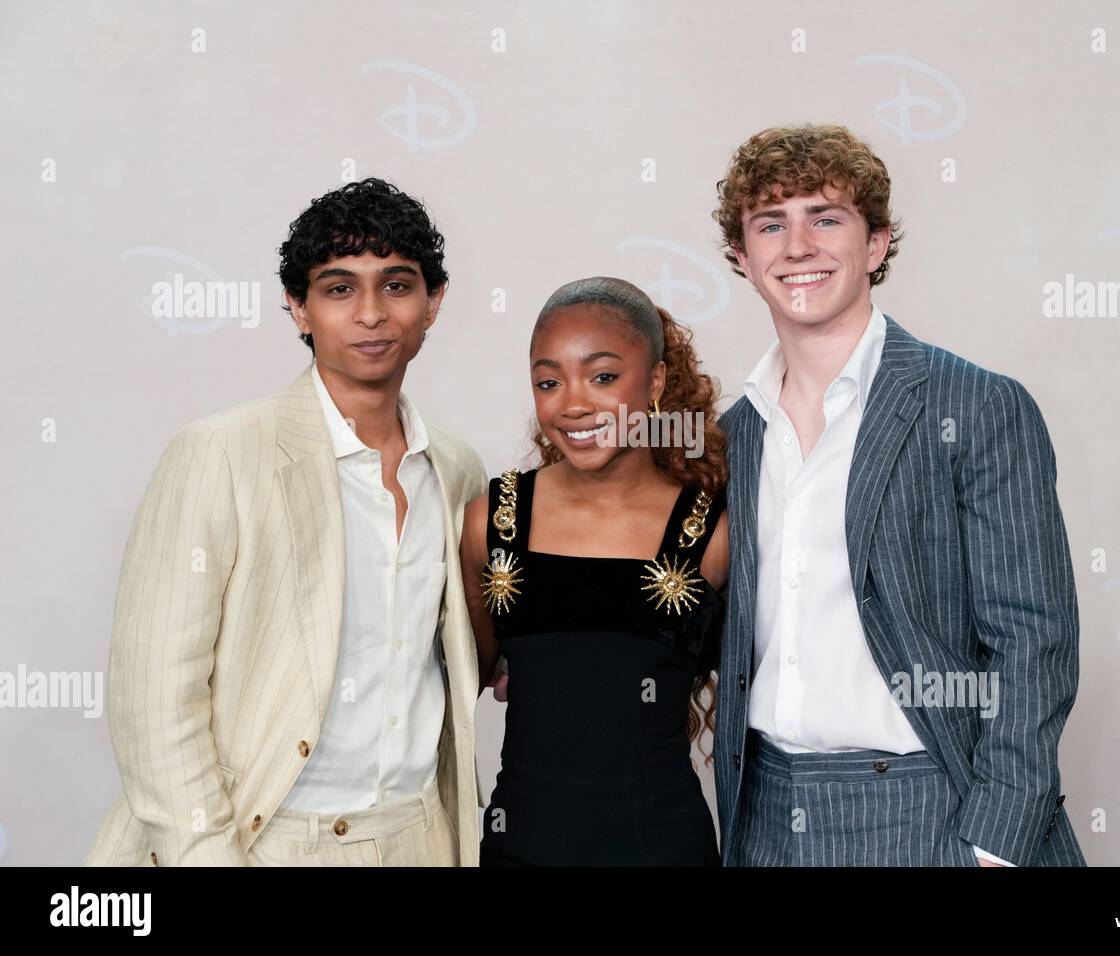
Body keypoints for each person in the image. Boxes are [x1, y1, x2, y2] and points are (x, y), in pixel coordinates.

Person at [710, 125, 1087, 867]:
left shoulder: (976, 405)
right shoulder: (734, 434)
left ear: (877, 244)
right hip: (764, 814)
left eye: (825, 217)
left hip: (930, 803)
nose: (797, 246)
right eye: (770, 224)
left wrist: (996, 840)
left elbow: (1035, 639)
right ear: (742, 258)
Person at [86, 178, 486, 866]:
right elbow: (152, 699)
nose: (370, 314)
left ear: (433, 304)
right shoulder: (220, 453)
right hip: (262, 838)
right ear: (297, 308)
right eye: (338, 289)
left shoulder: (456, 472)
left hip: (421, 834)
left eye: (396, 285)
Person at [460, 277, 728, 865]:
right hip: (520, 844)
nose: (574, 403)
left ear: (655, 381)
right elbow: (469, 674)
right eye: (548, 382)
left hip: (662, 845)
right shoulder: (491, 521)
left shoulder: (712, 531)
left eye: (603, 377)